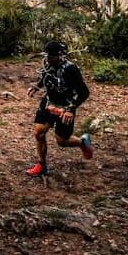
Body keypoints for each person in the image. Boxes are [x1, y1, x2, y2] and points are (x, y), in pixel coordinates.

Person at [25, 41, 94, 177]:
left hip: (66, 106)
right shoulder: (47, 64)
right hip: (49, 102)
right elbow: (45, 75)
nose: (48, 58)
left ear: (60, 56)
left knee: (62, 141)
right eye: (47, 55)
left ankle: (82, 142)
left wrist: (70, 109)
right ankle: (41, 165)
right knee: (39, 132)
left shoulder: (71, 69)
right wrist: (36, 86)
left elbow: (84, 92)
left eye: (51, 56)